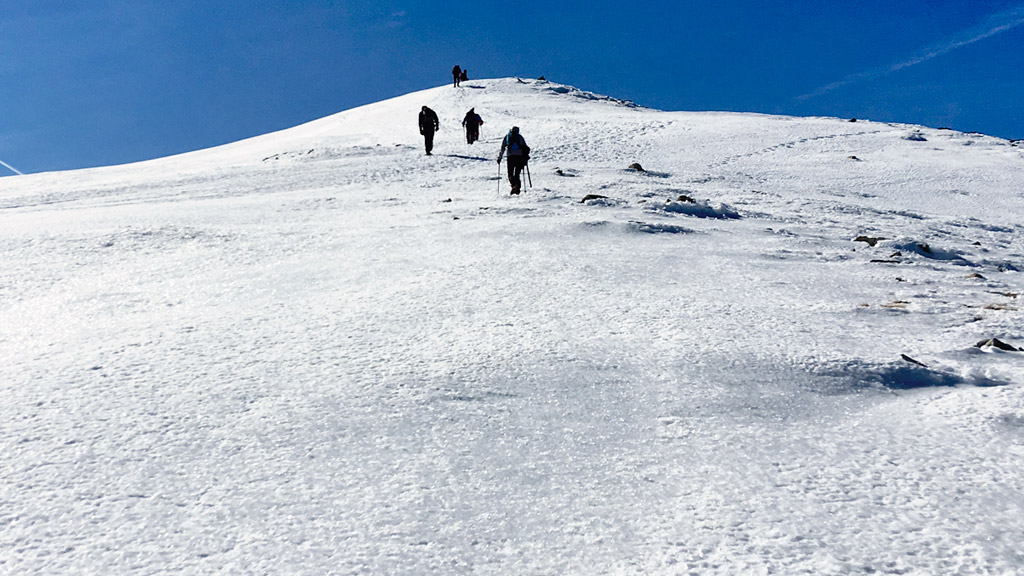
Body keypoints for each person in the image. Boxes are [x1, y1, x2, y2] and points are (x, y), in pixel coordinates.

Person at [497, 126, 530, 195]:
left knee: (510, 173)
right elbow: (524, 147)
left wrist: (500, 157)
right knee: (517, 173)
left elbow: (503, 147)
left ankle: (514, 186)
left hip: (510, 156)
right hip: (519, 157)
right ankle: (517, 188)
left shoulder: (507, 137)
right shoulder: (520, 137)